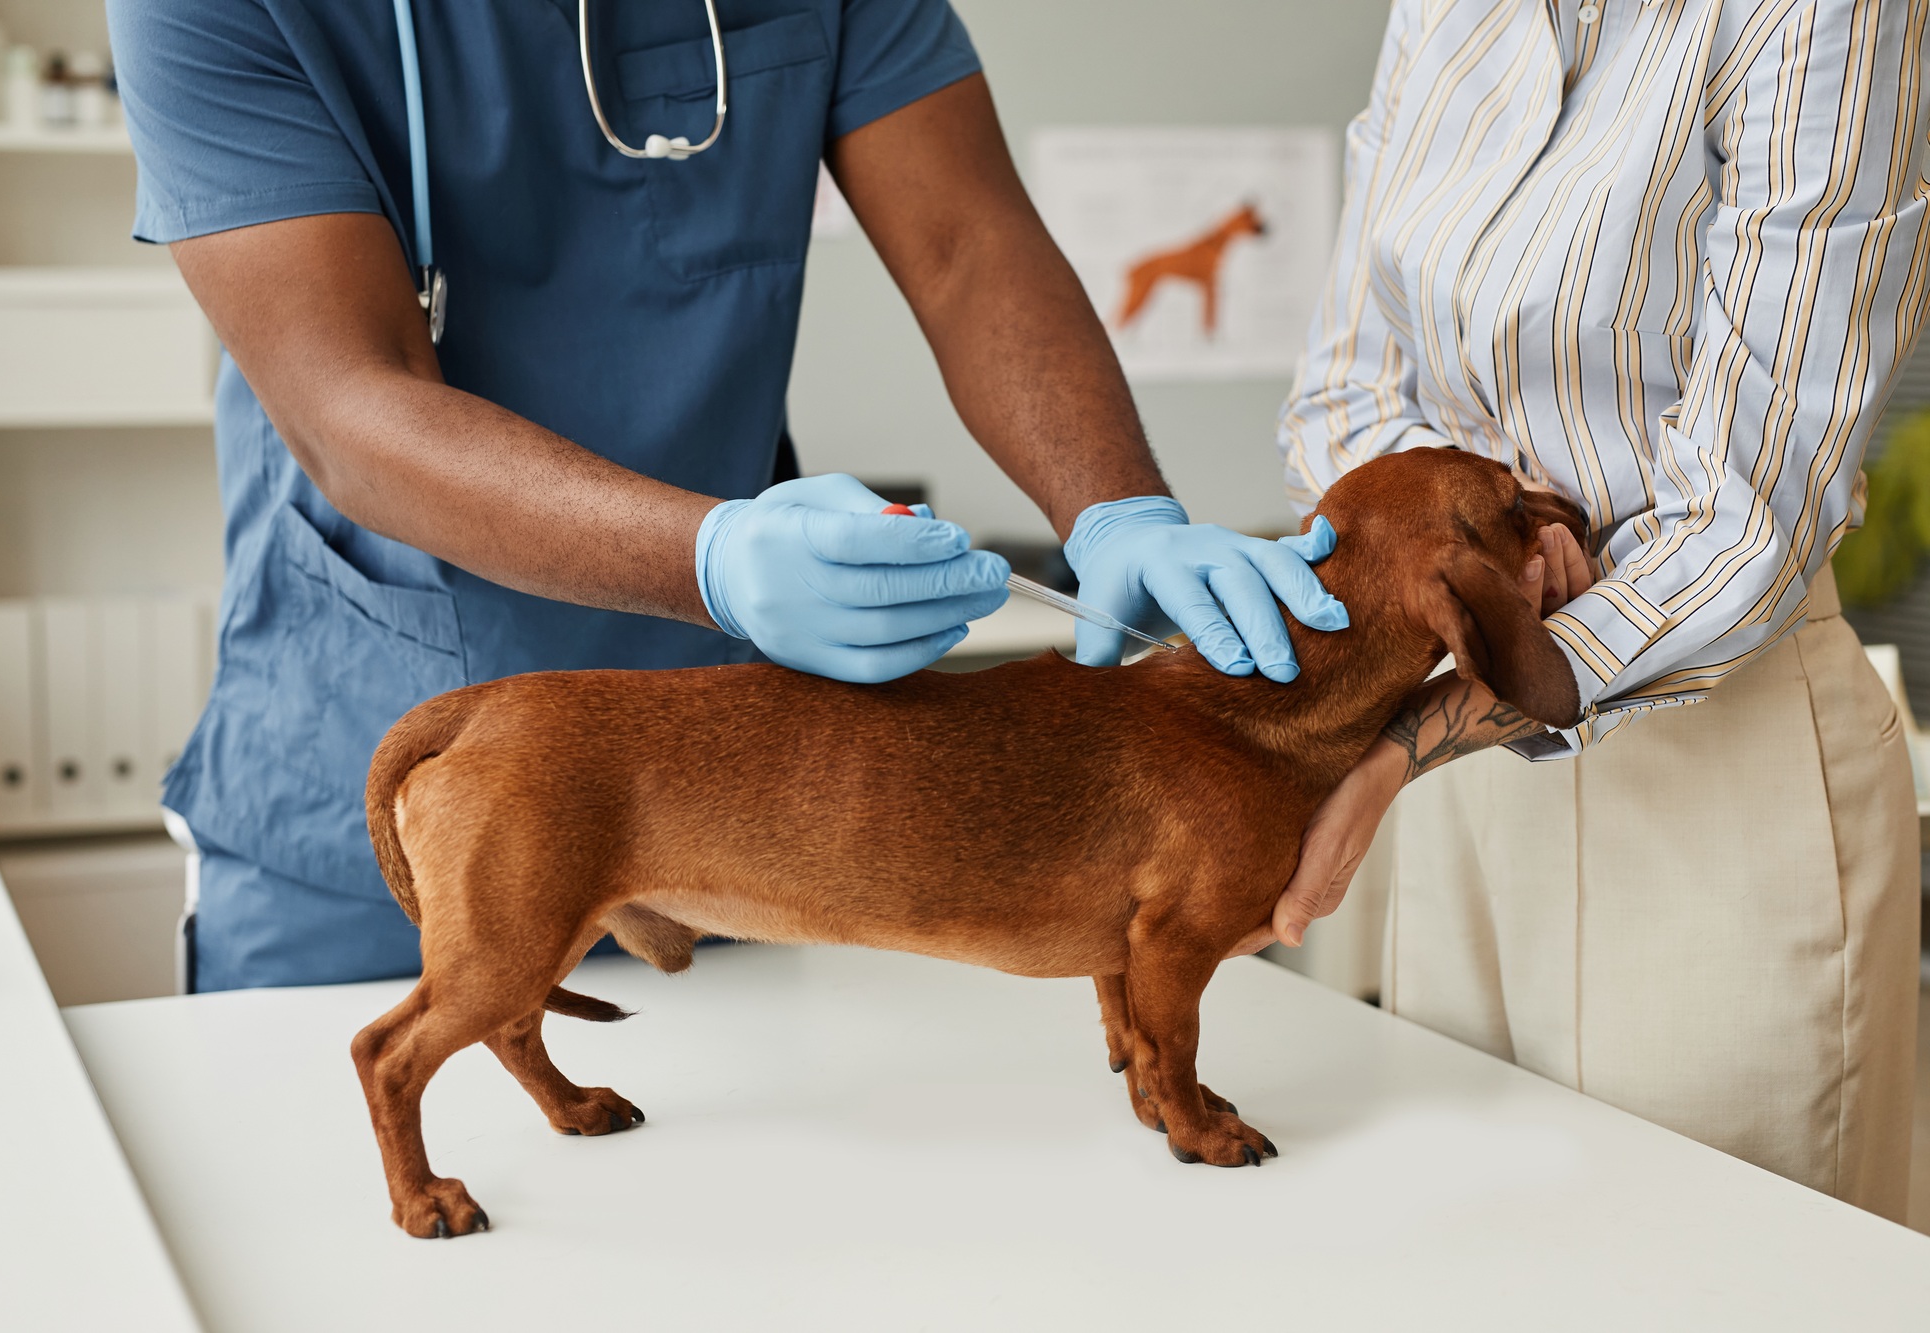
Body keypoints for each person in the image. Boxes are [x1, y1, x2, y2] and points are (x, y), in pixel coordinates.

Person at [108, 0, 1348, 993]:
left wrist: (1116, 506)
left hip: (750, 794)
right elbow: (350, 408)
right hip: (375, 769)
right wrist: (719, 556)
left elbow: (967, 242)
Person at [1269, 0, 1926, 1220]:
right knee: (1468, 1258)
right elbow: (1336, 399)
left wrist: (1413, 718)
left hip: (1719, 772)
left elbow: (1752, 503)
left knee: (1709, 1269)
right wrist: (1492, 523)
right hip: (1466, 776)